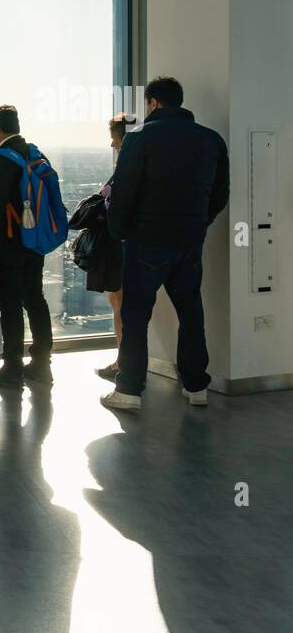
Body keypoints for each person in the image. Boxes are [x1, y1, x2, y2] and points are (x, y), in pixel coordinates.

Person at [101, 77, 229, 412]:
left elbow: (124, 191)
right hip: (189, 241)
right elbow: (220, 194)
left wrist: (120, 231)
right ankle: (196, 385)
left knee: (135, 314)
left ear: (153, 102)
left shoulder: (140, 138)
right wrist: (200, 222)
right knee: (191, 310)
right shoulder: (211, 140)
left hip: (146, 241)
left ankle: (129, 390)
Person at [0, 105, 54, 389]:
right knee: (34, 298)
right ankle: (42, 364)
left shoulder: (2, 159)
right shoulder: (33, 153)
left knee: (9, 304)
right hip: (35, 241)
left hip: (9, 242)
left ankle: (12, 367)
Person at [93, 113, 132, 381]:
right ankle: (126, 360)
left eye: (114, 139)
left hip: (121, 243)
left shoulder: (127, 168)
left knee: (119, 302)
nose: (111, 145)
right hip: (134, 242)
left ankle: (123, 362)